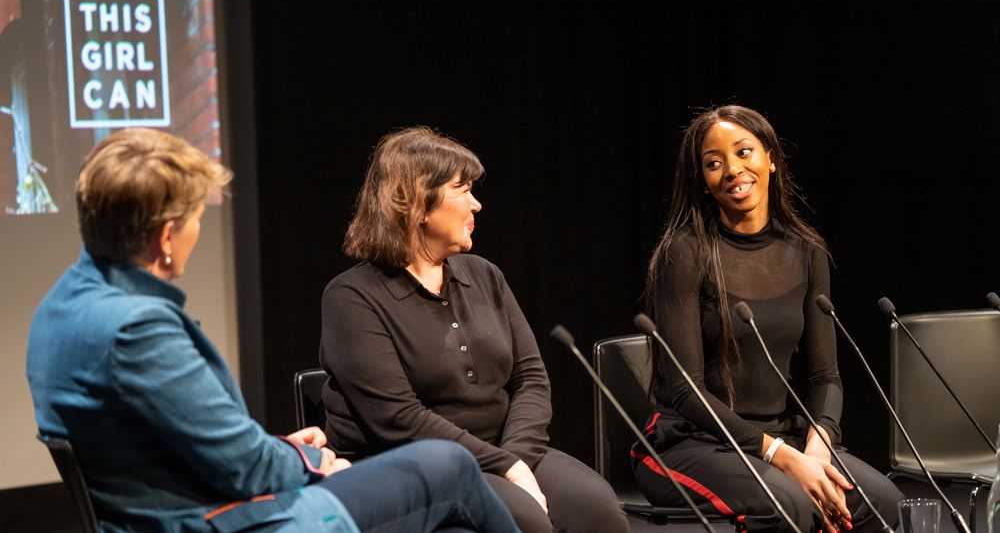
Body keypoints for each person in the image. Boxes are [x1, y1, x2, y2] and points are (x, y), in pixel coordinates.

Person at [25, 128, 519, 533]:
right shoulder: (137, 330)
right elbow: (245, 469)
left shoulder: (60, 307)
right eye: (197, 218)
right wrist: (310, 463)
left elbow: (181, 437)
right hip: (215, 522)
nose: (199, 230)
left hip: (174, 506)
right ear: (166, 238)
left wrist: (282, 448)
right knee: (448, 467)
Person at [320, 126, 629, 533]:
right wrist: (507, 468)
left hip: (505, 448)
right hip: (416, 465)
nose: (477, 204)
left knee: (598, 510)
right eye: (462, 190)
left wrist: (515, 458)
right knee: (525, 520)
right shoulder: (352, 297)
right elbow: (399, 419)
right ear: (417, 202)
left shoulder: (485, 275)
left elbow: (531, 379)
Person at [634, 106, 903, 533]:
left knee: (884, 502)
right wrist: (779, 455)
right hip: (691, 441)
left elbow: (825, 376)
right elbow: (685, 390)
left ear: (771, 158)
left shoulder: (807, 252)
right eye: (714, 163)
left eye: (744, 152)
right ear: (702, 181)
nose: (733, 170)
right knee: (788, 504)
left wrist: (818, 443)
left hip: (784, 436)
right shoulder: (684, 253)